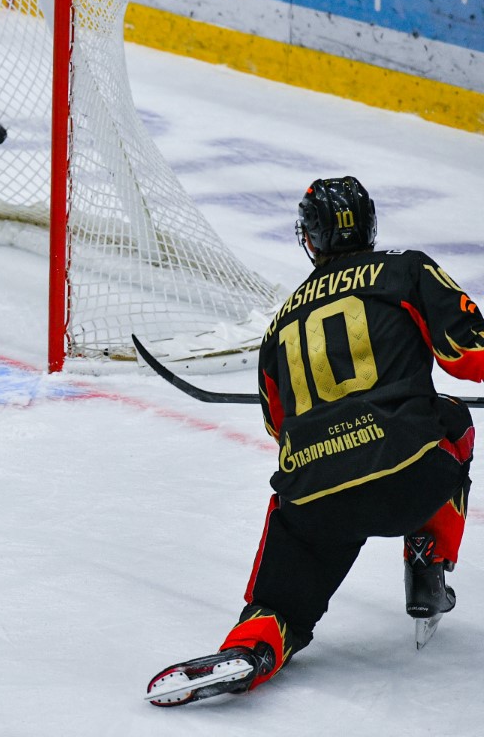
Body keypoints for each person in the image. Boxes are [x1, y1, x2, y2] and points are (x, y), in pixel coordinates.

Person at [145, 176, 482, 706]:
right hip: (410, 476)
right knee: (453, 421)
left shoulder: (279, 324)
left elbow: (281, 427)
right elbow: (469, 356)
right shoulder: (405, 269)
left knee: (279, 605)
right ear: (370, 224)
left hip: (316, 499)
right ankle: (427, 563)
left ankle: (253, 647)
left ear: (311, 239)